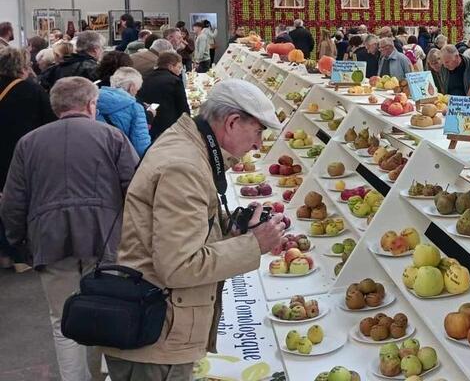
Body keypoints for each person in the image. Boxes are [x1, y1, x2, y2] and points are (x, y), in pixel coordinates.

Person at [101, 80, 286, 380]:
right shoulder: (184, 167)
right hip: (157, 339)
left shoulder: (187, 146)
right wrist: (253, 244)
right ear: (233, 122)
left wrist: (234, 231)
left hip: (158, 328)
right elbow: (178, 266)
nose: (258, 145)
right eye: (258, 132)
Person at [2, 77, 138, 381]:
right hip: (104, 236)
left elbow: (13, 200)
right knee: (106, 309)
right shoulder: (111, 137)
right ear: (91, 105)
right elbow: (135, 188)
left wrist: (18, 240)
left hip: (49, 240)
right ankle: (106, 373)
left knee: (63, 320)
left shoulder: (28, 142)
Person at [0, 47, 56, 268]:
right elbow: (50, 124)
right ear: (23, 67)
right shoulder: (30, 91)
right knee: (19, 204)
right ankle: (18, 254)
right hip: (20, 156)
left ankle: (3, 252)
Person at [98, 67, 152, 157]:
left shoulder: (91, 99)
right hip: (117, 158)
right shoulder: (135, 108)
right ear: (132, 87)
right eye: (137, 90)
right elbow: (141, 146)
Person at [138, 52, 190, 140]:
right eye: (179, 67)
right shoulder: (175, 81)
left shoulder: (145, 77)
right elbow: (183, 107)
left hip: (149, 123)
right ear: (170, 67)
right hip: (168, 126)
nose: (180, 70)